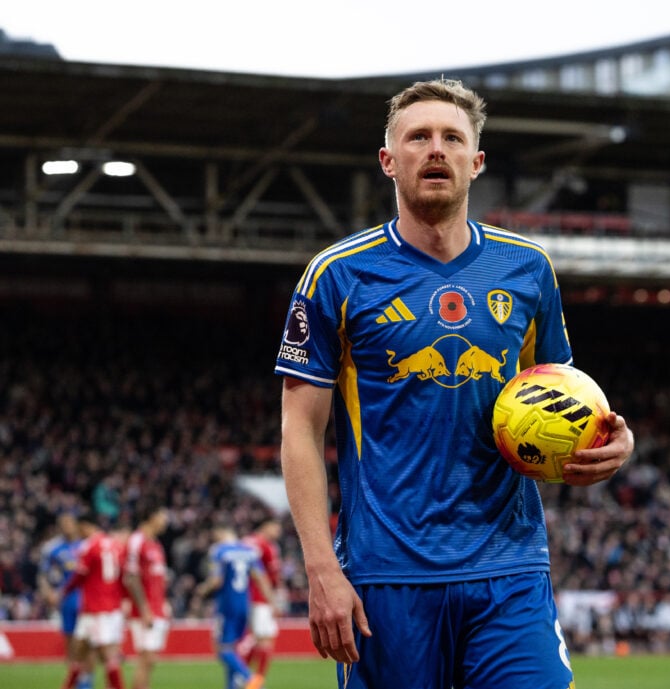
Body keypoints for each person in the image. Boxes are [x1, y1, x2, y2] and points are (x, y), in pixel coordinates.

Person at [275, 77, 634, 689]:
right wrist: (320, 569)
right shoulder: (336, 275)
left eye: (451, 137)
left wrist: (611, 440)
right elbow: (300, 430)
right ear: (389, 161)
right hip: (387, 577)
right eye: (418, 137)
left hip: (509, 566)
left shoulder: (528, 269)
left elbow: (560, 392)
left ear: (477, 160)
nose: (435, 149)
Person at [59, 510, 137, 689]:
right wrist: (124, 599)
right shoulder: (115, 545)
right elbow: (125, 577)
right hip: (110, 607)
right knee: (83, 651)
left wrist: (65, 591)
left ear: (85, 527)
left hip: (96, 608)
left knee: (103, 654)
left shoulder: (89, 545)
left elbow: (79, 574)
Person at [195, 524, 275, 689]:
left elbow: (217, 581)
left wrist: (202, 590)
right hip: (244, 605)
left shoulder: (219, 551)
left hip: (226, 605)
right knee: (233, 648)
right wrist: (272, 602)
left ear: (220, 532)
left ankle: (250, 678)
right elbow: (260, 579)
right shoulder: (249, 551)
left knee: (222, 649)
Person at [38, 510, 94, 689]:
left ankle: (87, 682)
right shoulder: (52, 548)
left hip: (88, 599)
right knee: (70, 642)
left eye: (69, 522)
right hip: (68, 599)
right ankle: (75, 680)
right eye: (63, 523)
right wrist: (48, 592)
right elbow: (43, 575)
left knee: (88, 642)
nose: (67, 526)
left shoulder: (87, 544)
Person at [123, 503, 171, 689]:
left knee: (150, 661)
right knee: (146, 659)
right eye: (162, 515)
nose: (165, 520)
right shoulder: (137, 540)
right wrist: (145, 609)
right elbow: (132, 577)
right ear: (151, 516)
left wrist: (164, 603)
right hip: (145, 610)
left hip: (157, 608)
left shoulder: (156, 544)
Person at [241, 518, 286, 681]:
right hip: (259, 597)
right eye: (276, 527)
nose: (278, 532)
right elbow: (258, 574)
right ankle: (255, 679)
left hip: (257, 597)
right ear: (266, 525)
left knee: (258, 639)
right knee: (264, 640)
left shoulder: (259, 543)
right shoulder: (259, 544)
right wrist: (273, 600)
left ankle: (246, 676)